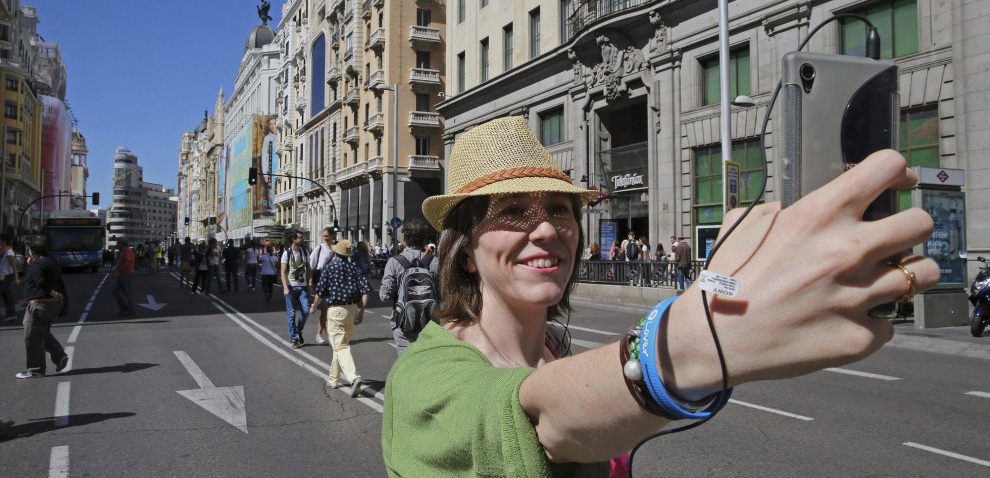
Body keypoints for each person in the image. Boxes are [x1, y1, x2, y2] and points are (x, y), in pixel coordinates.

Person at [381, 115, 938, 477]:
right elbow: (537, 415)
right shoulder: (425, 377)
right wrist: (704, 338)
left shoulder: (552, 348)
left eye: (558, 209)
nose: (546, 229)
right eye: (511, 213)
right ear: (464, 249)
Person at [310, 239, 371, 396]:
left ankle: (353, 378)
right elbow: (365, 290)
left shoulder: (329, 268)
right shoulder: (354, 268)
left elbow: (320, 292)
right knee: (341, 344)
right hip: (352, 309)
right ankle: (333, 380)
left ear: (336, 253)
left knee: (340, 346)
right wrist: (362, 311)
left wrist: (314, 306)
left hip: (336, 310)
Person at [380, 218, 440, 354]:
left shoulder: (394, 262)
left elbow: (384, 296)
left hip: (403, 323)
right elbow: (444, 293)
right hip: (430, 322)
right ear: (424, 238)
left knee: (406, 365)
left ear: (405, 239)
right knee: (428, 363)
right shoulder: (435, 261)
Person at [16, 238, 69, 379]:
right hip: (53, 304)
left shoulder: (38, 264)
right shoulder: (52, 261)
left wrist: (51, 292)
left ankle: (36, 370)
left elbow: (40, 281)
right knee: (41, 332)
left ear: (32, 251)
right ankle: (59, 356)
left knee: (32, 336)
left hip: (40, 303)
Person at [280, 231, 310, 348]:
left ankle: (299, 330)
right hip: (291, 287)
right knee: (291, 314)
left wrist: (310, 282)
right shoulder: (286, 253)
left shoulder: (304, 251)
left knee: (306, 311)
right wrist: (285, 288)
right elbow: (282, 272)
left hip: (303, 286)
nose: (302, 239)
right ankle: (294, 338)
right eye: (300, 237)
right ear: (293, 239)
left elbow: (309, 268)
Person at [309, 227, 338, 344]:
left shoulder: (336, 249)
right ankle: (321, 334)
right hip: (321, 281)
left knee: (328, 311)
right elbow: (311, 265)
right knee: (325, 308)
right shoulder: (319, 248)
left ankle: (322, 334)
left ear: (332, 236)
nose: (325, 238)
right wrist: (310, 280)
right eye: (323, 236)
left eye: (327, 236)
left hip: (334, 282)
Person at [113, 239, 136, 317]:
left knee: (129, 294)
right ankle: (124, 308)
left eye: (118, 243)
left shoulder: (127, 251)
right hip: (121, 275)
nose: (117, 244)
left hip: (127, 275)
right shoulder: (122, 251)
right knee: (115, 291)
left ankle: (131, 311)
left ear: (122, 243)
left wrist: (118, 271)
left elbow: (126, 262)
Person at [1, 233, 21, 321]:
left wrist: (16, 278)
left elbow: (13, 267)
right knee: (6, 295)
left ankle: (12, 314)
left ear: (4, 241)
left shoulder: (9, 252)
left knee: (6, 294)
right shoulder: (3, 250)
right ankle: (11, 314)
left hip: (7, 275)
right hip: (2, 275)